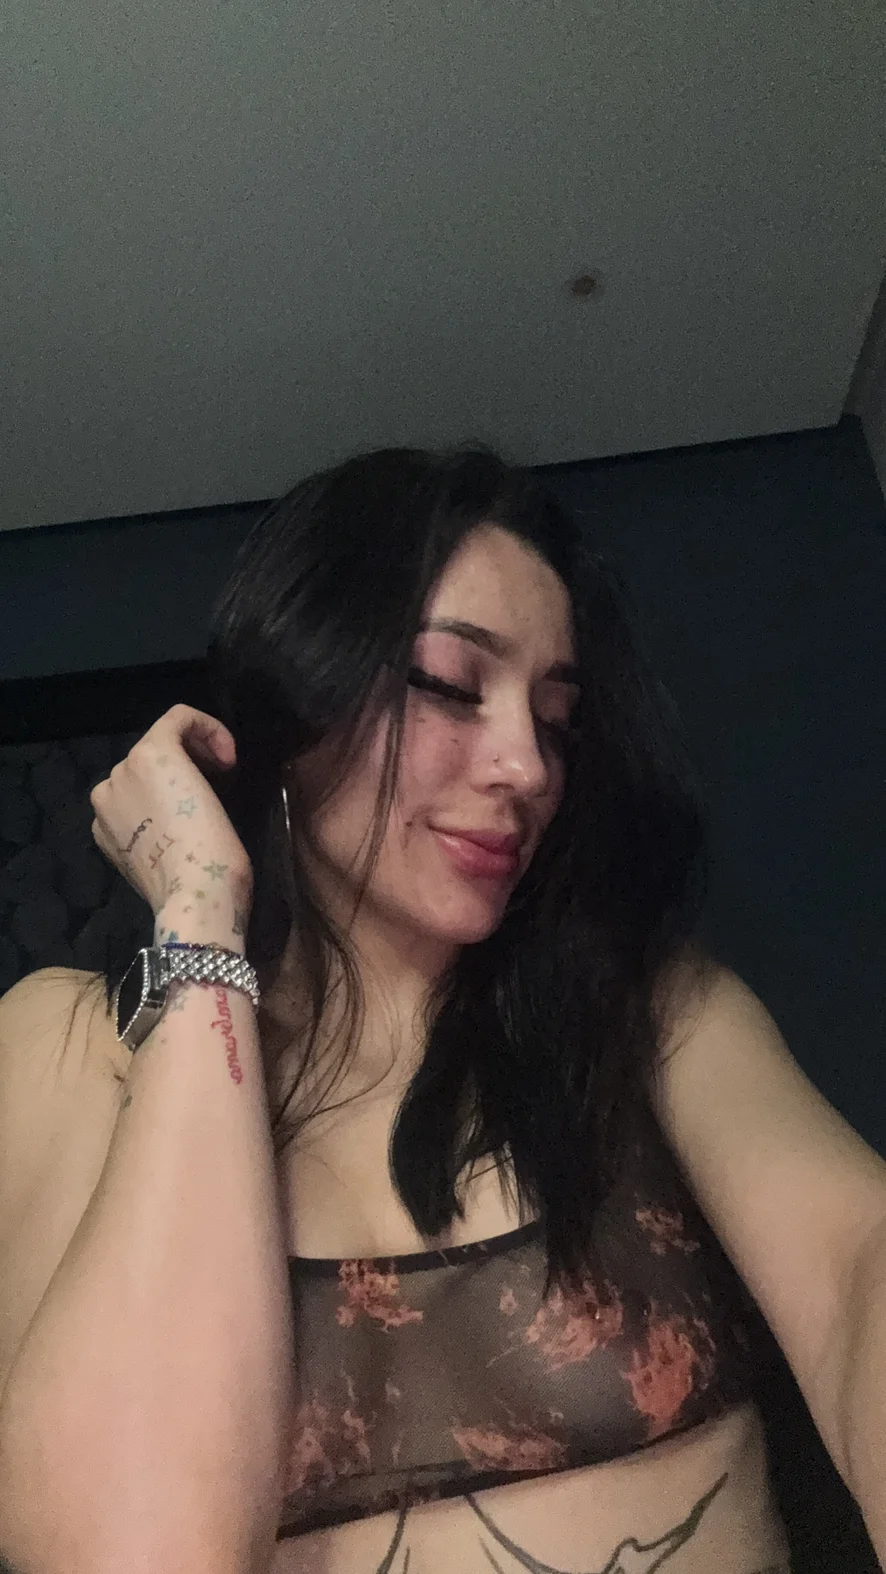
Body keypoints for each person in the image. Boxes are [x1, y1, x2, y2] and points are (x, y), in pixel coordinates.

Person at [0, 444, 883, 1574]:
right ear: (297, 697)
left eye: (556, 719)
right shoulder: (70, 1045)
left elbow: (858, 1269)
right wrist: (199, 918)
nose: (528, 765)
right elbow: (142, 1547)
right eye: (450, 685)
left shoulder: (646, 1010)